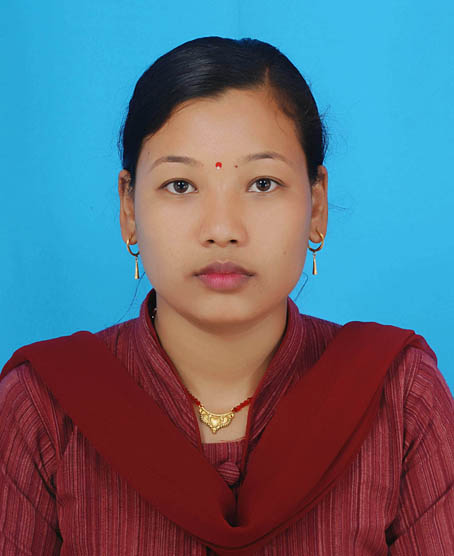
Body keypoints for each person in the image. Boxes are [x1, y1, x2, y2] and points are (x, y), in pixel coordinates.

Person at [1, 36, 453, 556]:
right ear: (128, 209)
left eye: (262, 184)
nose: (222, 230)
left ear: (316, 206)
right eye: (180, 185)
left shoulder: (399, 397)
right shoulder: (44, 408)